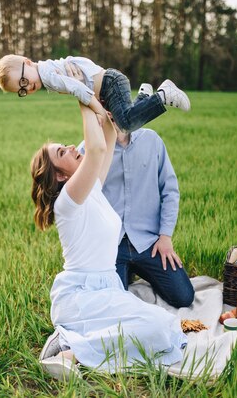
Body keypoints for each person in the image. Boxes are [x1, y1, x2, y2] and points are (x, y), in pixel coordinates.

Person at [30, 102, 187, 380]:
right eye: (62, 152)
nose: (71, 147)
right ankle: (69, 351)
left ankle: (69, 341)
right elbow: (97, 149)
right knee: (157, 330)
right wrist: (85, 100)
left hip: (106, 288)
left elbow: (110, 138)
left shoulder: (92, 189)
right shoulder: (68, 201)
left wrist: (108, 110)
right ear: (60, 176)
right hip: (81, 295)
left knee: (165, 325)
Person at [78, 83, 195, 308]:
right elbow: (81, 202)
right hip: (111, 245)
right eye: (104, 110)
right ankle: (126, 270)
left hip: (150, 242)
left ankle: (134, 268)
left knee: (183, 297)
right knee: (115, 306)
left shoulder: (152, 141)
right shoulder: (89, 149)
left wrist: (165, 237)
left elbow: (170, 191)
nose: (110, 115)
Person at [0, 54, 190, 134]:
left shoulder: (47, 75)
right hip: (109, 83)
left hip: (109, 84)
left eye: (23, 81)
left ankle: (163, 95)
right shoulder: (47, 69)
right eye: (21, 90)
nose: (27, 87)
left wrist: (99, 111)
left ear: (28, 62)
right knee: (124, 121)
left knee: (125, 124)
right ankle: (144, 96)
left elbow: (79, 89)